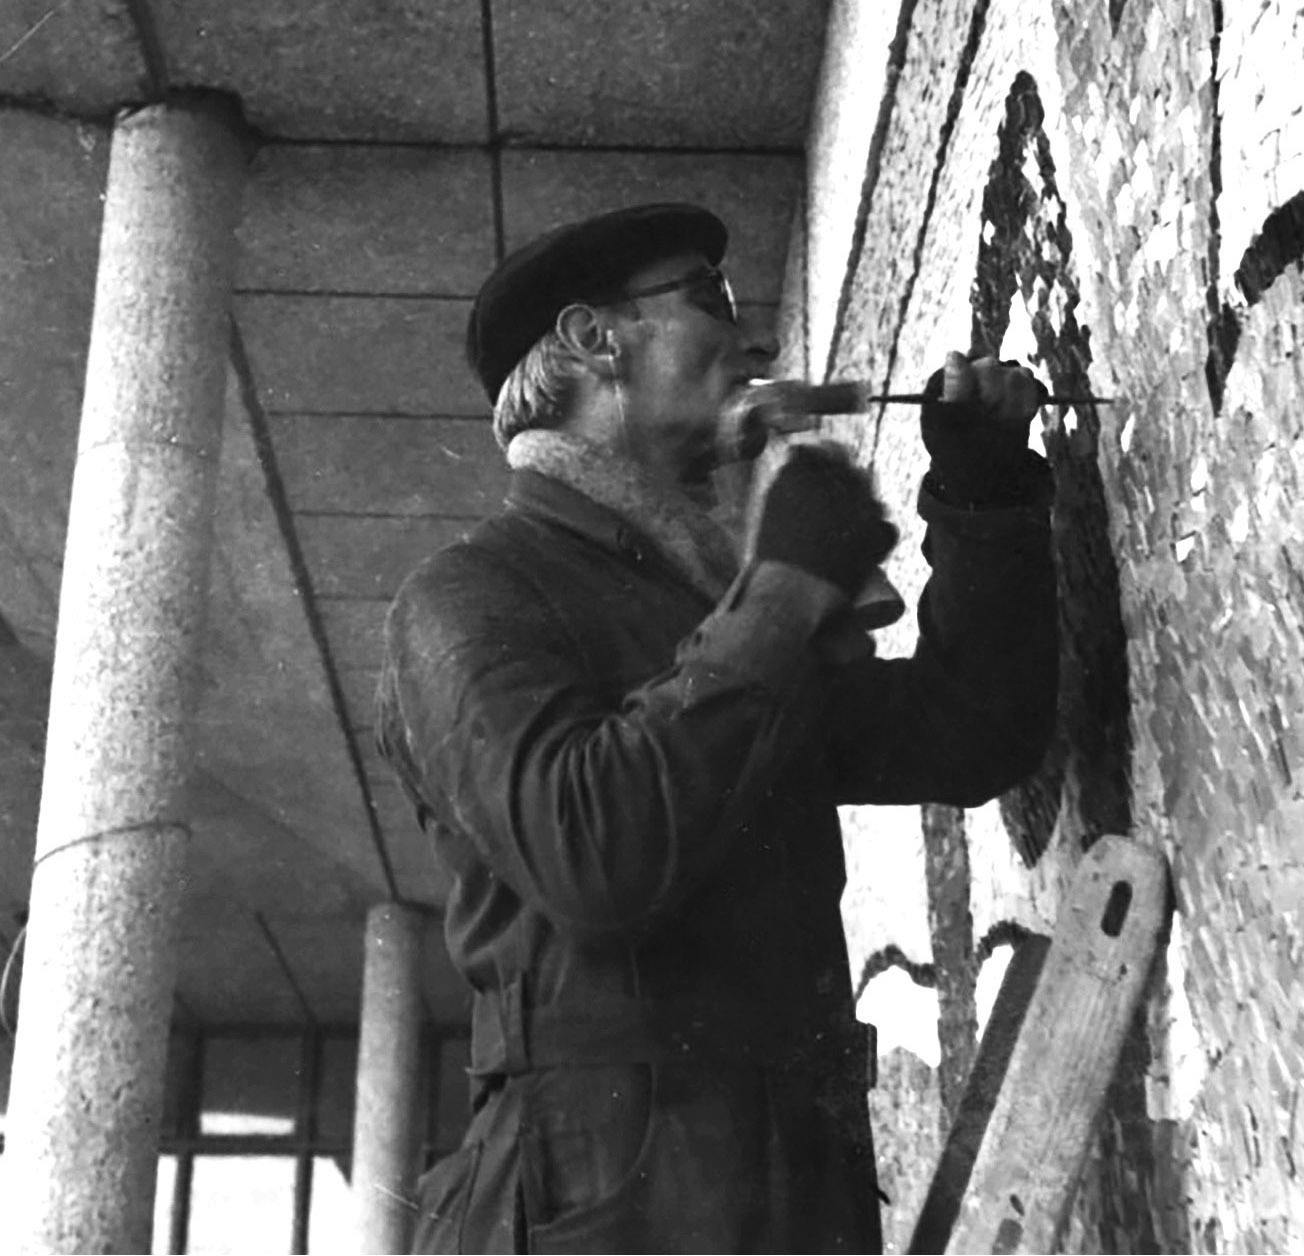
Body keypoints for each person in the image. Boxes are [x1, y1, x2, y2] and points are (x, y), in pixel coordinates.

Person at [375, 203, 1058, 1254]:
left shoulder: (703, 604)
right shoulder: (467, 595)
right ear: (594, 339)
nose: (748, 341)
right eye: (709, 300)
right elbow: (592, 850)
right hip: (602, 1194)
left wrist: (982, 492)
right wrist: (782, 586)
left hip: (788, 1168)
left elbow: (968, 734)